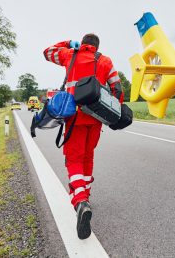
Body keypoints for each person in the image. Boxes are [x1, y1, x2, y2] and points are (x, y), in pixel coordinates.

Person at [43, 34, 124, 239]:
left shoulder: (70, 54)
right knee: (88, 157)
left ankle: (80, 201)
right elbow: (117, 88)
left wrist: (68, 43)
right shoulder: (105, 60)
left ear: (83, 43)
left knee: (74, 159)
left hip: (74, 118)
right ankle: (86, 194)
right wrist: (113, 109)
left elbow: (48, 52)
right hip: (96, 119)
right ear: (97, 46)